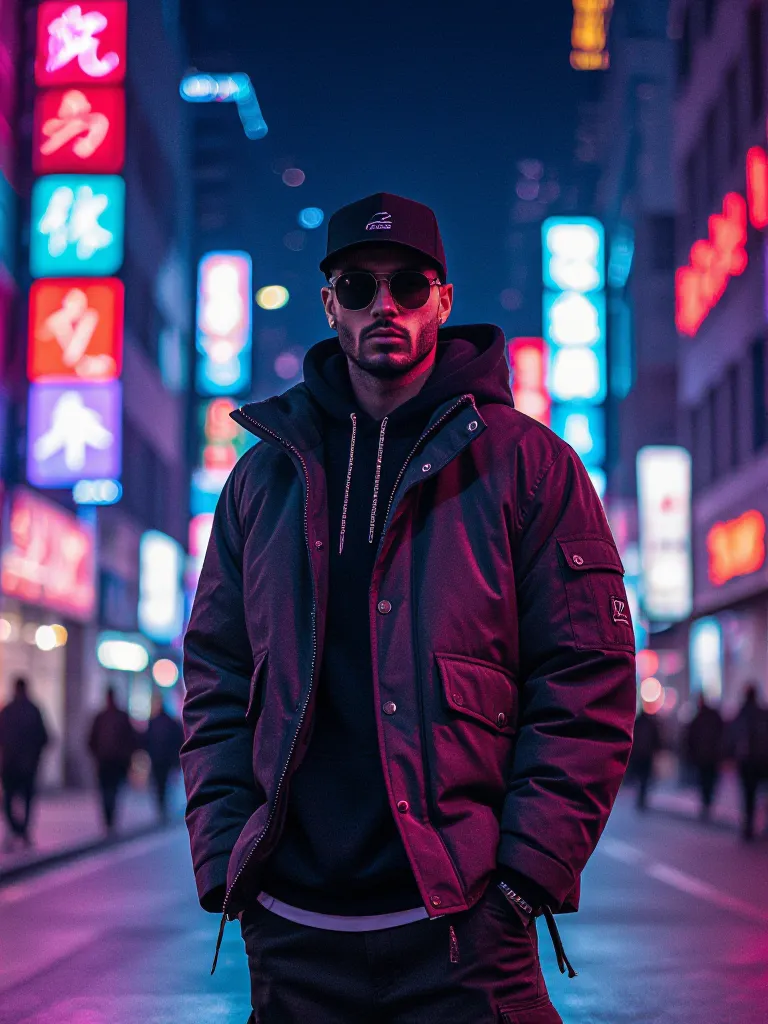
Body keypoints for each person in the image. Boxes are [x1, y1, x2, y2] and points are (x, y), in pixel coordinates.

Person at [182, 193, 636, 1023]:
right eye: (358, 287)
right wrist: (226, 861)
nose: (384, 305)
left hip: (466, 933)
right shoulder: (264, 477)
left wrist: (526, 877)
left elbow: (587, 681)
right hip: (293, 933)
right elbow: (216, 674)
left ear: (444, 300)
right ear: (330, 306)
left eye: (409, 285)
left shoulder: (531, 465)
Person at [0, 677, 49, 850]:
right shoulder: (32, 710)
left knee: (10, 799)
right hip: (25, 764)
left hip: (12, 764)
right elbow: (44, 737)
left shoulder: (8, 710)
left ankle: (18, 829)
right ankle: (21, 830)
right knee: (25, 799)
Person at [87, 687, 137, 835]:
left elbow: (130, 739)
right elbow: (91, 740)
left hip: (114, 762)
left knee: (111, 791)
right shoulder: (103, 717)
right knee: (108, 791)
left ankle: (109, 820)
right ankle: (108, 820)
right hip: (108, 761)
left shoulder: (108, 717)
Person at [728, 683, 768, 841]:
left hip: (747, 762)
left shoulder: (741, 714)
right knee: (763, 793)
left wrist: (730, 755)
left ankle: (748, 827)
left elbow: (732, 737)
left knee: (748, 796)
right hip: (763, 760)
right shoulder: (763, 713)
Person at [144, 693, 184, 822]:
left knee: (159, 783)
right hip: (166, 759)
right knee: (165, 783)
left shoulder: (154, 721)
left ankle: (162, 806)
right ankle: (164, 806)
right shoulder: (170, 721)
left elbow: (146, 740)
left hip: (157, 758)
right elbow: (179, 739)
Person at [685, 693, 725, 821]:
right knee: (710, 781)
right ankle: (708, 803)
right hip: (712, 756)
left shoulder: (698, 718)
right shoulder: (713, 716)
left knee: (704, 781)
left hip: (702, 757)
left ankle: (706, 803)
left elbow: (690, 738)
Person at [629, 707, 662, 811]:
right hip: (647, 755)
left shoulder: (637, 723)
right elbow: (656, 739)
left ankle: (640, 797)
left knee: (639, 776)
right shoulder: (651, 723)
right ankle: (641, 797)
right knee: (644, 778)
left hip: (638, 754)